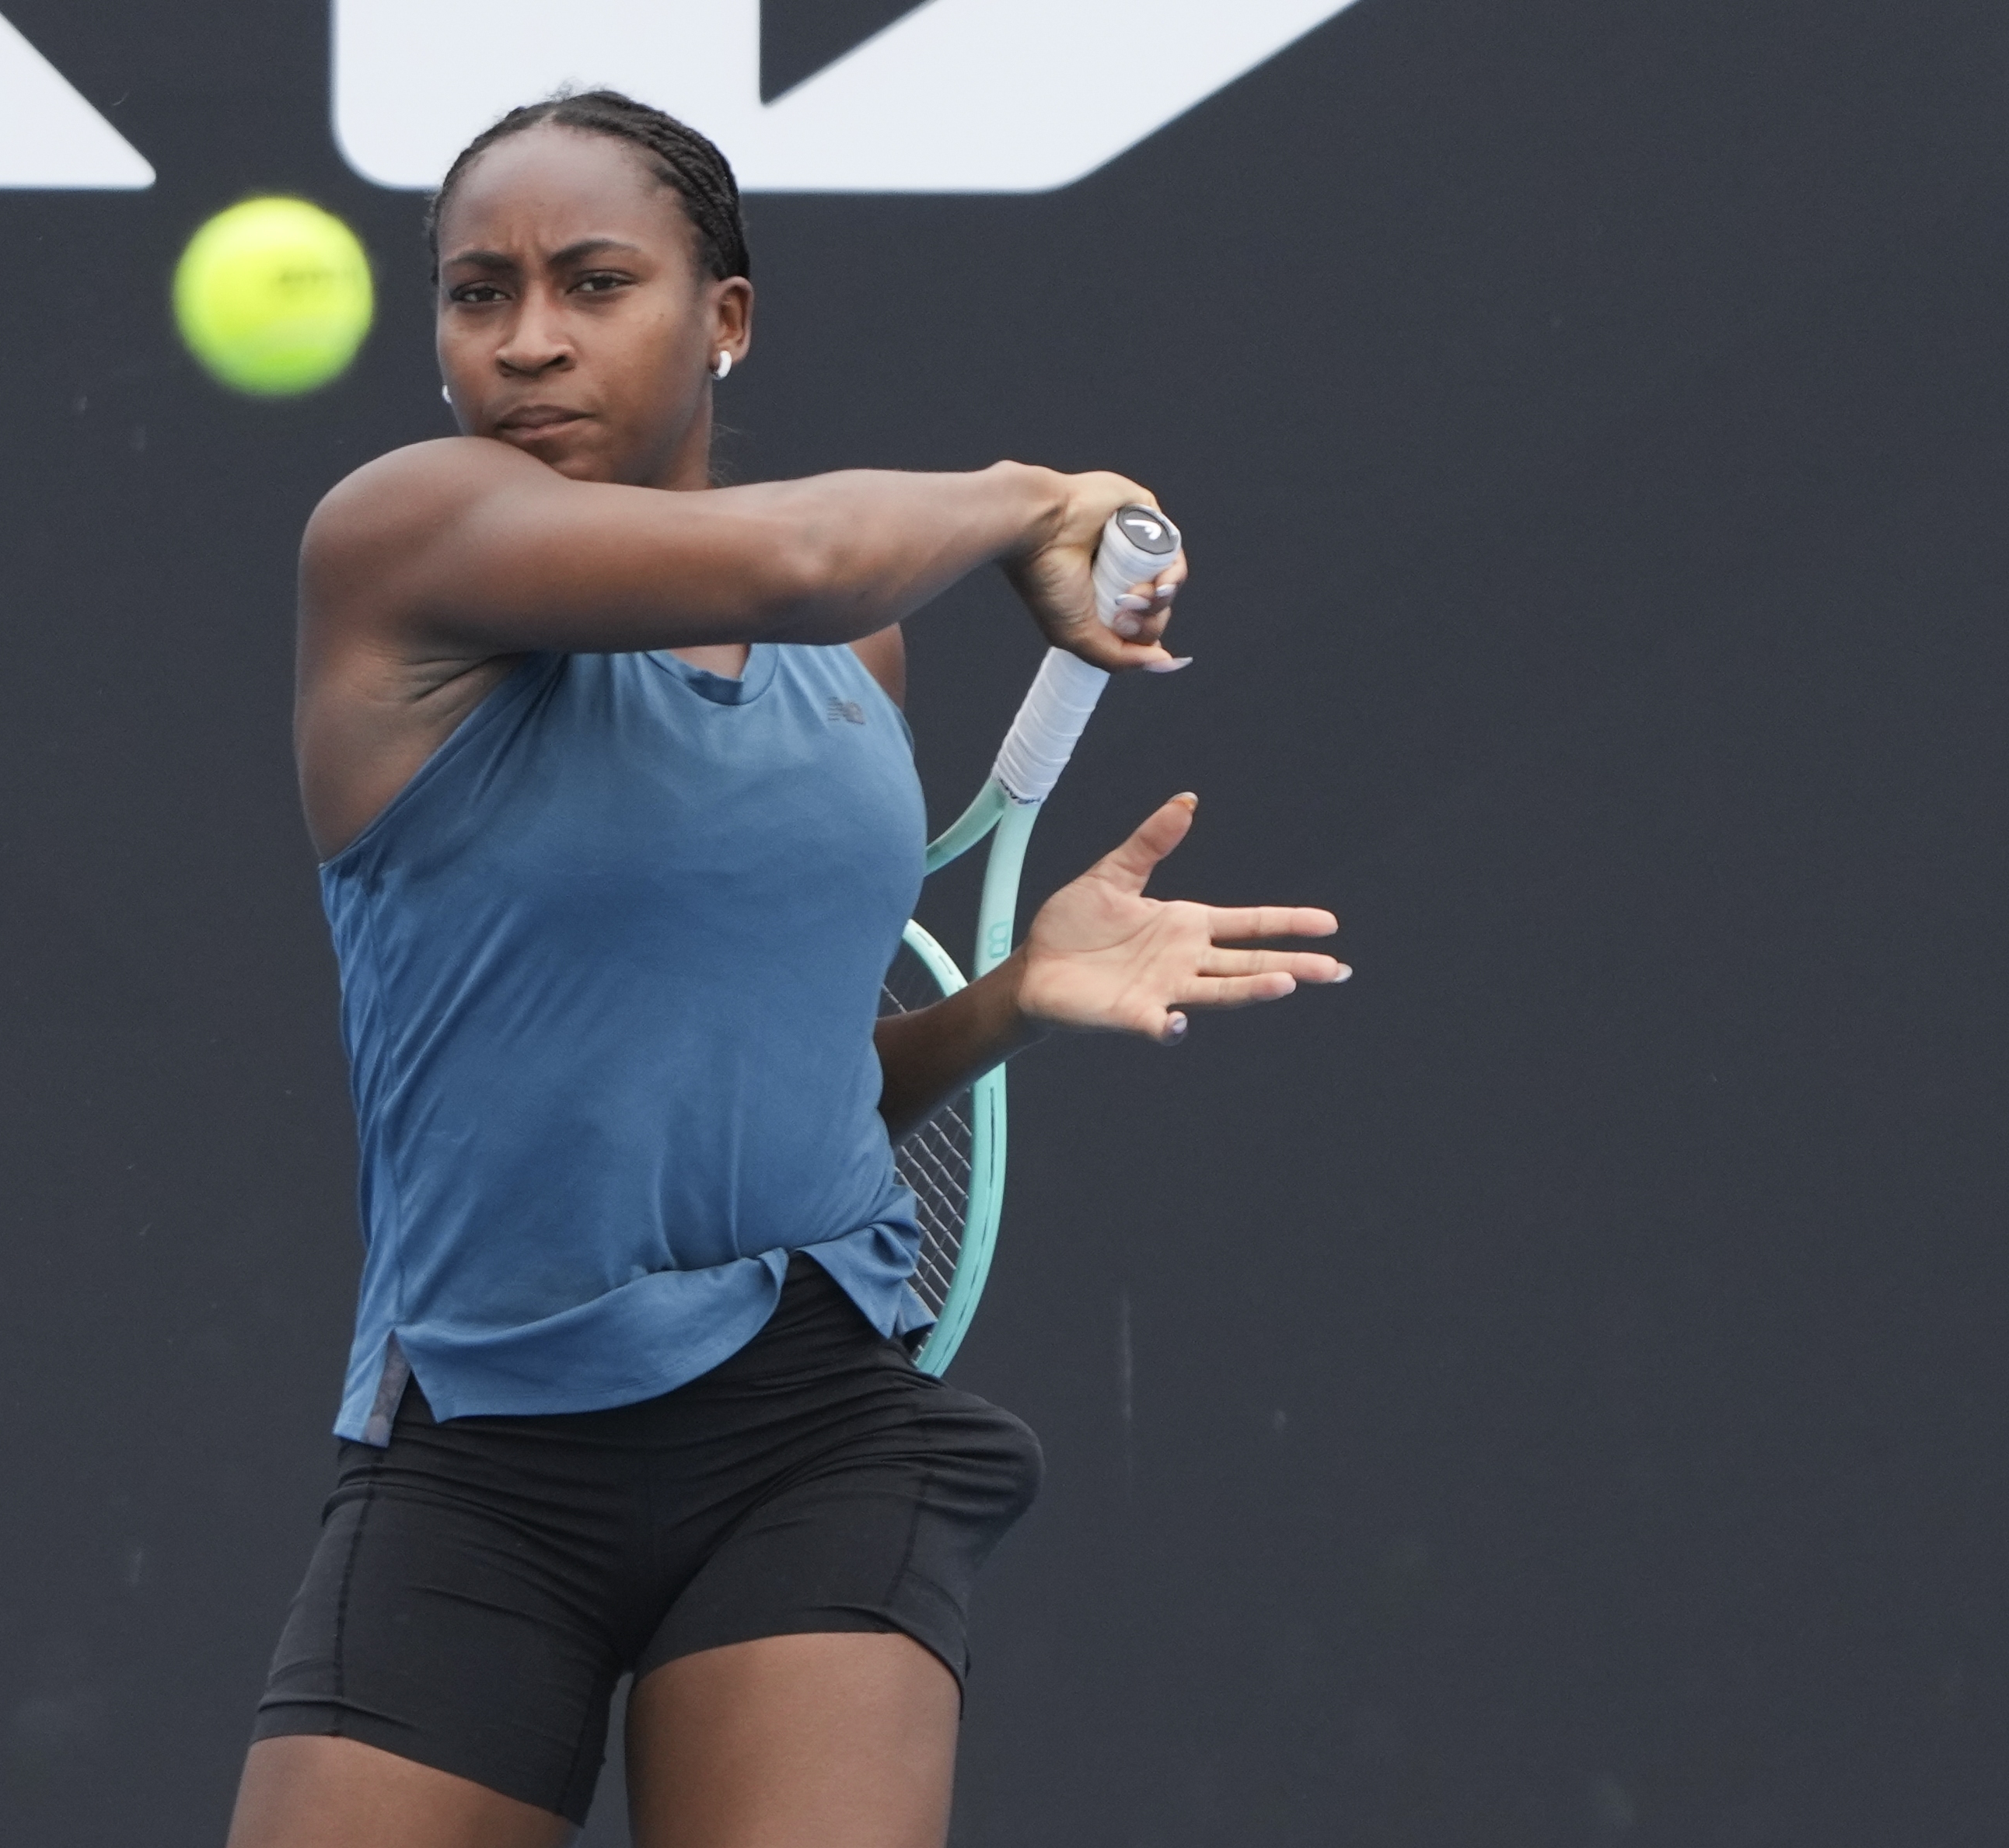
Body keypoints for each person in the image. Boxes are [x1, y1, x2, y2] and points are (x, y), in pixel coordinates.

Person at [232, 92, 1348, 1848]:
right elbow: (805, 553)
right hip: (474, 1449)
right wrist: (1040, 496)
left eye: (594, 283)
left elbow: (802, 1074)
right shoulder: (402, 534)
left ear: (723, 320)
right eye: (477, 294)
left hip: (805, 1437)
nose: (528, 341)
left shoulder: (858, 669)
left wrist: (1005, 1001)